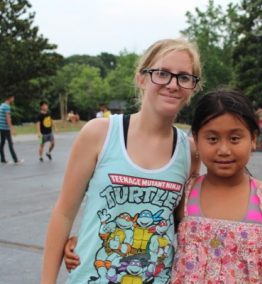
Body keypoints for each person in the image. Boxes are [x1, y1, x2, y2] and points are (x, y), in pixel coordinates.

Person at [41, 38, 202, 284]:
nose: (172, 84)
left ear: (192, 87)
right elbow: (64, 213)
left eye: (184, 77)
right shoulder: (100, 133)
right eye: (162, 73)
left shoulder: (188, 150)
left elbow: (182, 224)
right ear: (142, 78)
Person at [172, 89, 262, 282]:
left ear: (253, 139)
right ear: (196, 139)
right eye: (212, 139)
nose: (224, 150)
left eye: (235, 138)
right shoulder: (183, 196)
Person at [0, 95, 23, 165]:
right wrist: (12, 129)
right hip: (5, 128)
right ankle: (15, 160)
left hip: (1, 127)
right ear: (9, 98)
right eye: (13, 98)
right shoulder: (7, 106)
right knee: (10, 143)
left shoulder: (2, 105)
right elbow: (8, 119)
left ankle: (3, 159)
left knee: (2, 143)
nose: (13, 99)